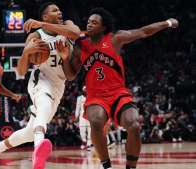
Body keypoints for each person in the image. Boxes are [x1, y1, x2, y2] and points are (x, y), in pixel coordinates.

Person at [57, 7, 178, 169]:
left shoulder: (115, 38)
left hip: (118, 92)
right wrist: (65, 58)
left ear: (103, 27)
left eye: (95, 22)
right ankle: (107, 166)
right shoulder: (80, 46)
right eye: (89, 22)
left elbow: (143, 32)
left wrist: (168, 22)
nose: (90, 24)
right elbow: (71, 75)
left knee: (134, 125)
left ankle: (131, 167)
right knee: (95, 121)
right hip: (96, 96)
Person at [0, 2, 80, 169]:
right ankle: (38, 148)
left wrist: (41, 24)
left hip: (58, 85)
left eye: (60, 9)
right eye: (55, 10)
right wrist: (26, 52)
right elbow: (22, 70)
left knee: (28, 132)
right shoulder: (36, 36)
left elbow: (76, 32)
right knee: (43, 107)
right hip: (42, 78)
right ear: (45, 16)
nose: (60, 12)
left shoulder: (68, 26)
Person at [75, 86, 92, 150]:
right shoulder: (79, 98)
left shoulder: (91, 97)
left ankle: (89, 144)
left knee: (90, 129)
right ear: (82, 90)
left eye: (86, 89)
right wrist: (76, 116)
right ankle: (84, 141)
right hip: (82, 114)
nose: (85, 90)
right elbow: (77, 107)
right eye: (84, 89)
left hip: (90, 114)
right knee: (82, 128)